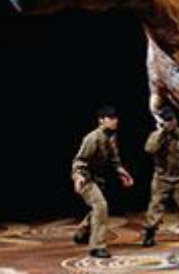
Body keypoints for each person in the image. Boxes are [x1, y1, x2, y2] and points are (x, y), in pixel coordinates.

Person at [72, 105, 135, 258]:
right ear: (101, 120)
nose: (115, 121)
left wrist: (122, 172)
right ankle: (97, 247)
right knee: (100, 206)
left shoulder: (110, 137)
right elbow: (79, 161)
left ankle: (81, 233)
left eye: (115, 118)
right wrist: (78, 177)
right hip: (85, 178)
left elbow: (114, 159)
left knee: (98, 208)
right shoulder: (92, 138)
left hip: (97, 179)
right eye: (110, 118)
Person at [142, 106, 179, 247]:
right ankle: (149, 234)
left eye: (172, 119)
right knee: (155, 208)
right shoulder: (157, 136)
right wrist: (161, 132)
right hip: (162, 178)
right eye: (167, 120)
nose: (171, 123)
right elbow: (149, 149)